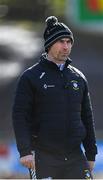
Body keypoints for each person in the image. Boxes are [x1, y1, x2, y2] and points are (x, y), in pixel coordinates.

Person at [12, 16, 97, 179]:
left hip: (75, 156)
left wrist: (91, 153)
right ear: (49, 44)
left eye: (68, 42)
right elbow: (20, 116)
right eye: (61, 41)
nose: (66, 46)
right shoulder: (31, 77)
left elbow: (87, 117)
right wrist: (25, 151)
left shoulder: (78, 77)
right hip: (43, 157)